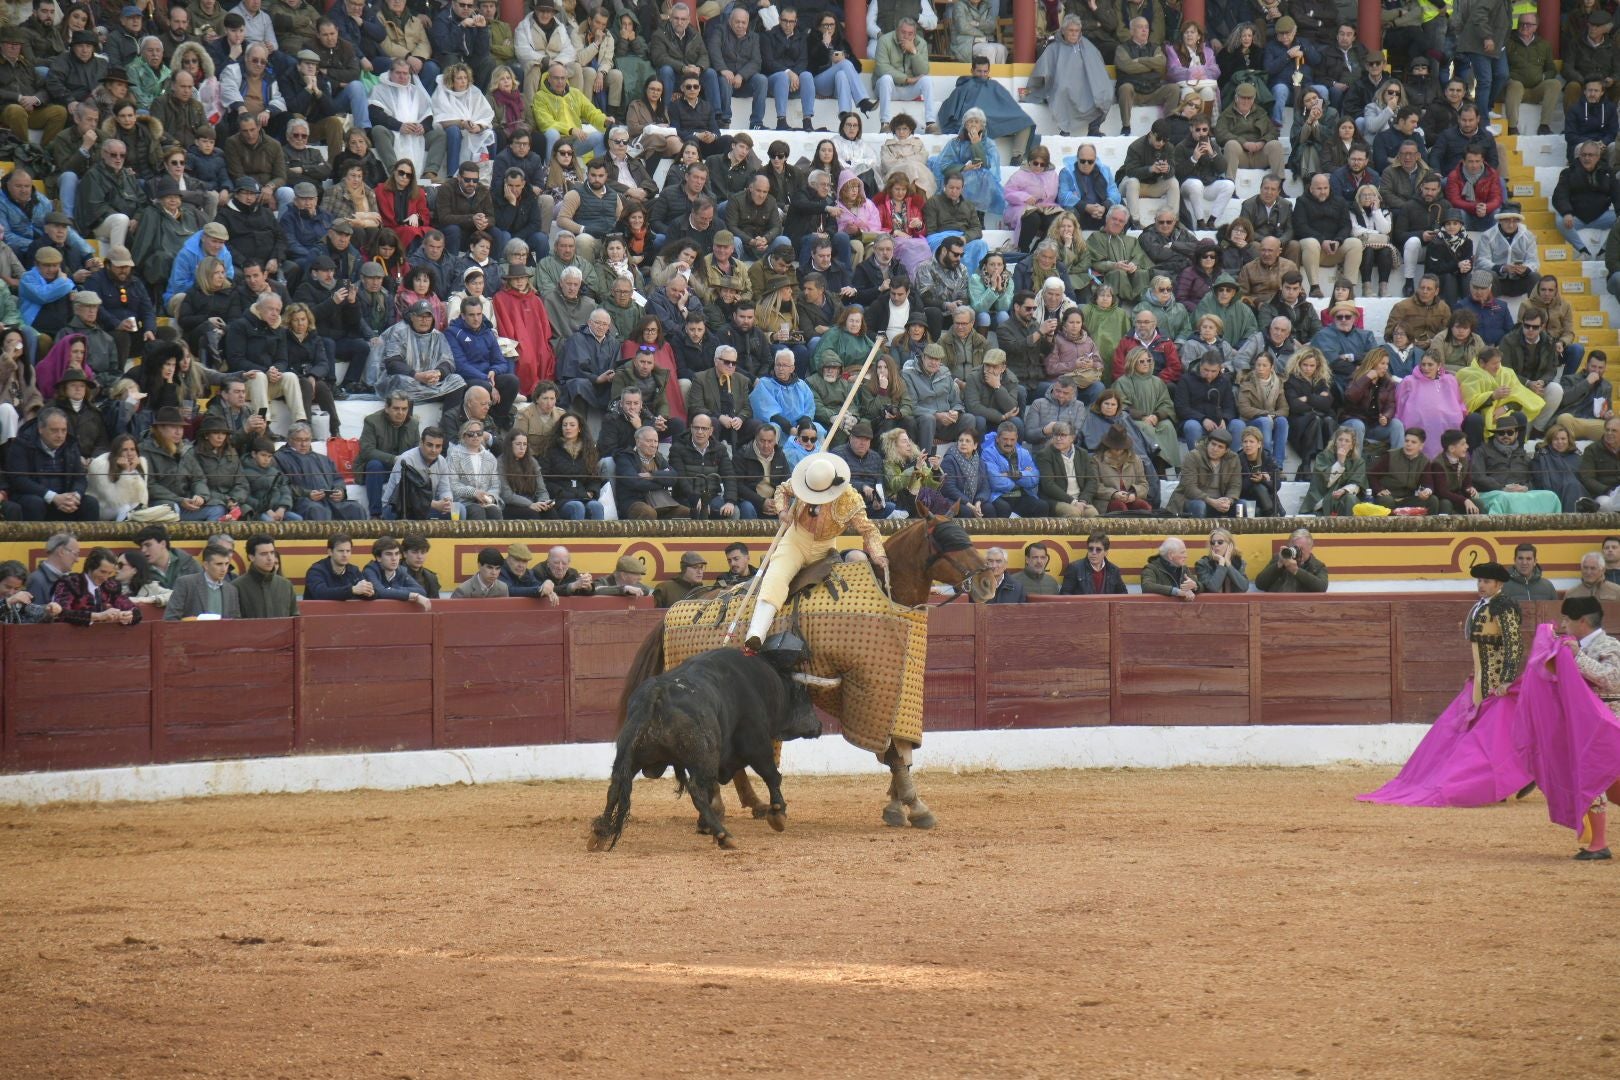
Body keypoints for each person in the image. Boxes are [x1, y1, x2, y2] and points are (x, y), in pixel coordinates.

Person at [741, 450, 887, 651]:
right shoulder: (806, 478)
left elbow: (869, 530)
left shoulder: (850, 498)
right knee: (776, 577)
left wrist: (878, 554)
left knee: (839, 590)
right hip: (796, 540)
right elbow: (783, 489)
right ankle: (756, 632)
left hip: (825, 548)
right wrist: (783, 511)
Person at [51, 546, 141, 626]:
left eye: (109, 573)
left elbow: (133, 610)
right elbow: (61, 613)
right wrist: (98, 616)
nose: (105, 578)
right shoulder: (70, 583)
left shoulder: (110, 586)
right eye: (102, 572)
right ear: (90, 568)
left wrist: (128, 615)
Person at [164, 542, 240, 620]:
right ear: (206, 565)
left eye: (226, 564)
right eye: (219, 564)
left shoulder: (231, 590)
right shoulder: (186, 584)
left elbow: (235, 622)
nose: (224, 569)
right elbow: (170, 619)